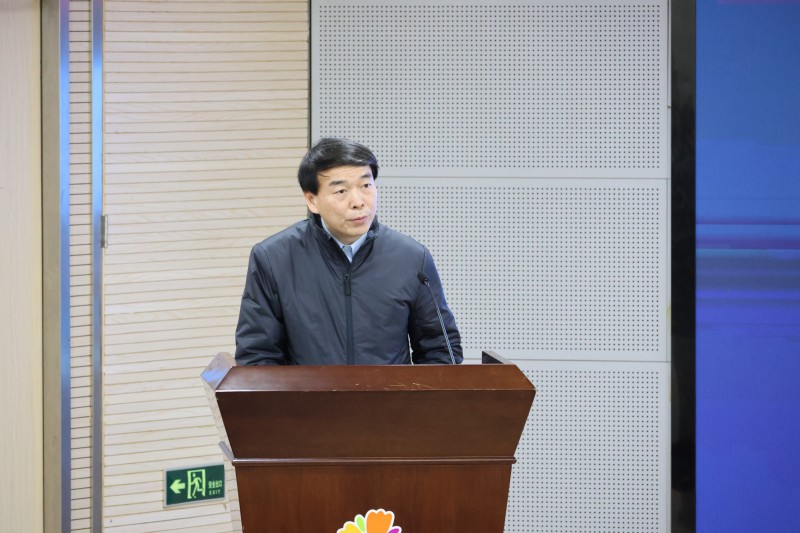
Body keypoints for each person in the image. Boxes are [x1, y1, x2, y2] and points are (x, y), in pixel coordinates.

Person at [235, 137, 462, 365]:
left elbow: (440, 350)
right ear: (312, 200)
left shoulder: (412, 258)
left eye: (366, 186)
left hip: (390, 391)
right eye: (341, 191)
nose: (358, 202)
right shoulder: (274, 259)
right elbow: (257, 355)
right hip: (308, 390)